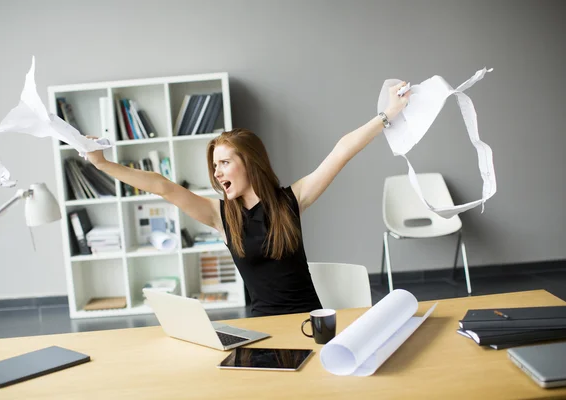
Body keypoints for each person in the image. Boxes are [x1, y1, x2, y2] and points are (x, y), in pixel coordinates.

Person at [87, 82, 410, 317]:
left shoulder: (291, 200)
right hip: (264, 329)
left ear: (250, 163)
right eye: (214, 166)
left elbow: (342, 150)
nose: (217, 173)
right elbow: (162, 186)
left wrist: (386, 115)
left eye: (224, 163)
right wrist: (102, 164)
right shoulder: (220, 216)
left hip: (309, 321)